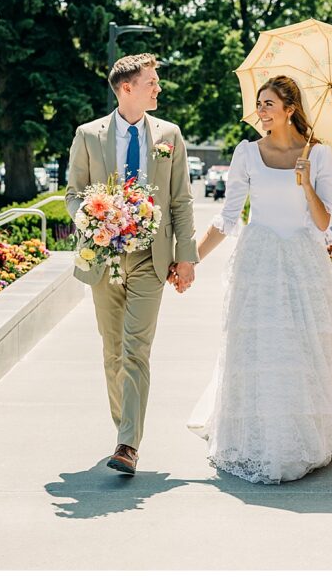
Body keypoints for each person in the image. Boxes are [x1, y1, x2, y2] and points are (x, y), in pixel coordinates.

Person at [186, 75, 332, 483]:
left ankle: (304, 436)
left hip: (302, 261)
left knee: (300, 348)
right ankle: (259, 435)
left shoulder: (320, 156)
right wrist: (187, 261)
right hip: (258, 260)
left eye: (268, 104)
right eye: (259, 104)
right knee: (259, 346)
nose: (261, 111)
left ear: (289, 109)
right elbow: (228, 220)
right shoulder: (246, 153)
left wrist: (306, 185)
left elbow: (326, 228)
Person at [65, 53, 198, 475]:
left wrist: (186, 256)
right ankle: (124, 425)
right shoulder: (88, 135)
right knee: (112, 351)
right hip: (103, 255)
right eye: (151, 82)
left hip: (150, 259)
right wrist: (94, 215)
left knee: (135, 350)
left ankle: (127, 444)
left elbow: (180, 199)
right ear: (126, 89)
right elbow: (73, 193)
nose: (157, 88)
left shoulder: (169, 135)